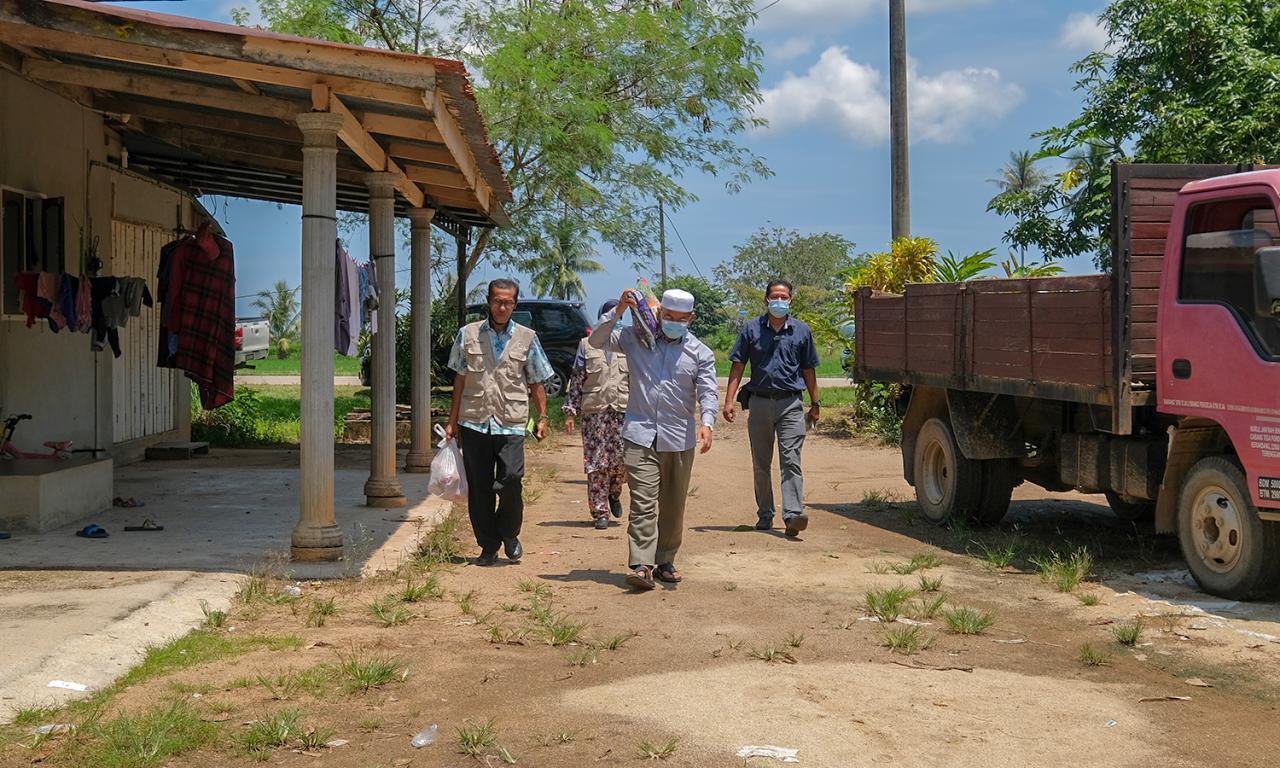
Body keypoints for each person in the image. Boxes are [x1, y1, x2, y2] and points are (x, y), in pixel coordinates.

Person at [589, 287, 718, 590]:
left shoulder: (700, 353)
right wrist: (619, 310)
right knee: (643, 502)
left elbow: (708, 391)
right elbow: (597, 341)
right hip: (640, 434)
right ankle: (641, 565)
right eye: (669, 316)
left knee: (673, 505)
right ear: (659, 314)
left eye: (681, 318)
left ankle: (665, 560)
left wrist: (707, 423)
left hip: (679, 439)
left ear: (691, 318)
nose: (674, 322)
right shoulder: (635, 338)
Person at [445, 278, 554, 566]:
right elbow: (459, 379)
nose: (502, 307)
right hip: (474, 421)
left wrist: (542, 417)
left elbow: (536, 380)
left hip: (511, 421)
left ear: (515, 305)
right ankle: (488, 545)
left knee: (511, 480)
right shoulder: (468, 334)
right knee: (480, 488)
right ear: (488, 303)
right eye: (497, 301)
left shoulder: (527, 338)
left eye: (507, 302)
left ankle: (509, 533)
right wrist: (452, 421)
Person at [723, 279, 821, 538]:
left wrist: (815, 402)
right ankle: (765, 513)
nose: (779, 301)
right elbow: (738, 365)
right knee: (761, 463)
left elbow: (809, 369)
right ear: (766, 299)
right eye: (775, 296)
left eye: (784, 297)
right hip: (760, 403)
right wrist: (729, 400)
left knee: (791, 460)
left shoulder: (801, 331)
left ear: (791, 300)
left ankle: (793, 515)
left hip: (791, 404)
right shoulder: (751, 329)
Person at [563, 299, 629, 530]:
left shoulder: (628, 343)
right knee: (597, 463)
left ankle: (614, 492)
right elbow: (577, 378)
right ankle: (600, 512)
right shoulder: (586, 344)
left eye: (618, 317)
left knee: (622, 462)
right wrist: (570, 412)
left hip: (622, 411)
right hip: (595, 413)